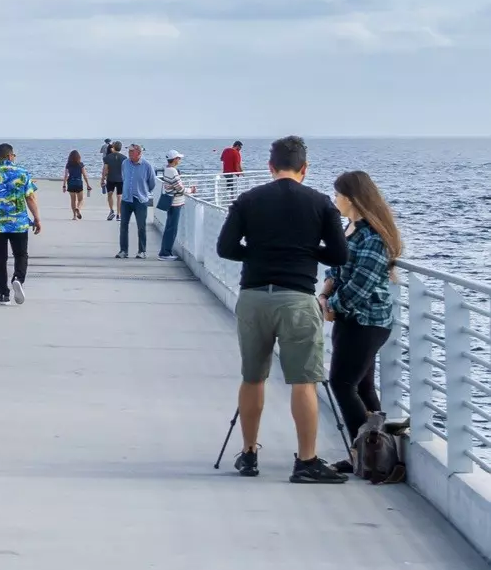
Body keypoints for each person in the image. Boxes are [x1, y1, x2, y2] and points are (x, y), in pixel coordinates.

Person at [215, 135, 350, 483]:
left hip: (254, 297)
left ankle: (248, 455)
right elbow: (339, 255)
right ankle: (306, 462)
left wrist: (260, 253)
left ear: (270, 167)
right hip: (297, 299)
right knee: (304, 381)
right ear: (305, 168)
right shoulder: (320, 203)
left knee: (252, 377)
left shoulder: (248, 199)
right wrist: (304, 251)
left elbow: (226, 248)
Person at [322, 170, 404, 458]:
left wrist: (332, 306)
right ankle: (377, 454)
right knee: (363, 386)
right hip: (351, 320)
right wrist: (325, 295)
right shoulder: (349, 229)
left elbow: (361, 285)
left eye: (338, 195)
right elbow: (336, 269)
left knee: (342, 384)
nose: (335, 200)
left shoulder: (372, 236)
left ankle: (362, 454)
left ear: (351, 198)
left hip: (368, 322)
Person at [0, 142, 42, 304]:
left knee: (0, 258)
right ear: (9, 155)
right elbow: (30, 197)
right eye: (13, 155)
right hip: (18, 222)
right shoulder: (22, 173)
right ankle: (18, 279)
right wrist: (37, 219)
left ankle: (3, 294)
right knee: (21, 254)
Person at [117, 143, 157, 258]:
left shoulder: (147, 166)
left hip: (140, 200)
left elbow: (152, 182)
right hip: (126, 199)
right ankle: (123, 251)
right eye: (128, 151)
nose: (129, 153)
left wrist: (144, 192)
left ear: (139, 153)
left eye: (131, 151)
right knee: (123, 225)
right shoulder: (125, 163)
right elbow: (124, 177)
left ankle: (142, 251)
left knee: (141, 226)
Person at [156, 150, 194, 260]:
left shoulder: (167, 169)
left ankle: (165, 251)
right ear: (175, 159)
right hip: (175, 203)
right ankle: (165, 253)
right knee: (172, 228)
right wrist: (191, 190)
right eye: (178, 158)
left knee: (169, 227)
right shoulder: (173, 171)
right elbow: (180, 188)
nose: (180, 160)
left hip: (171, 202)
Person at [101, 140, 126, 219]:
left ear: (113, 147)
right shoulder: (124, 158)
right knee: (119, 196)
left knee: (110, 195)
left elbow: (105, 169)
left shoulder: (107, 158)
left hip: (110, 179)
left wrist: (102, 179)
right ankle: (119, 214)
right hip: (120, 180)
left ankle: (112, 211)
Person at [63, 150, 87, 219]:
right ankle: (78, 208)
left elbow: (66, 175)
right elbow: (84, 175)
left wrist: (64, 185)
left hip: (70, 183)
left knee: (73, 200)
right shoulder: (81, 164)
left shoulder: (68, 165)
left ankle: (74, 216)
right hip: (78, 183)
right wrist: (88, 184)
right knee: (81, 199)